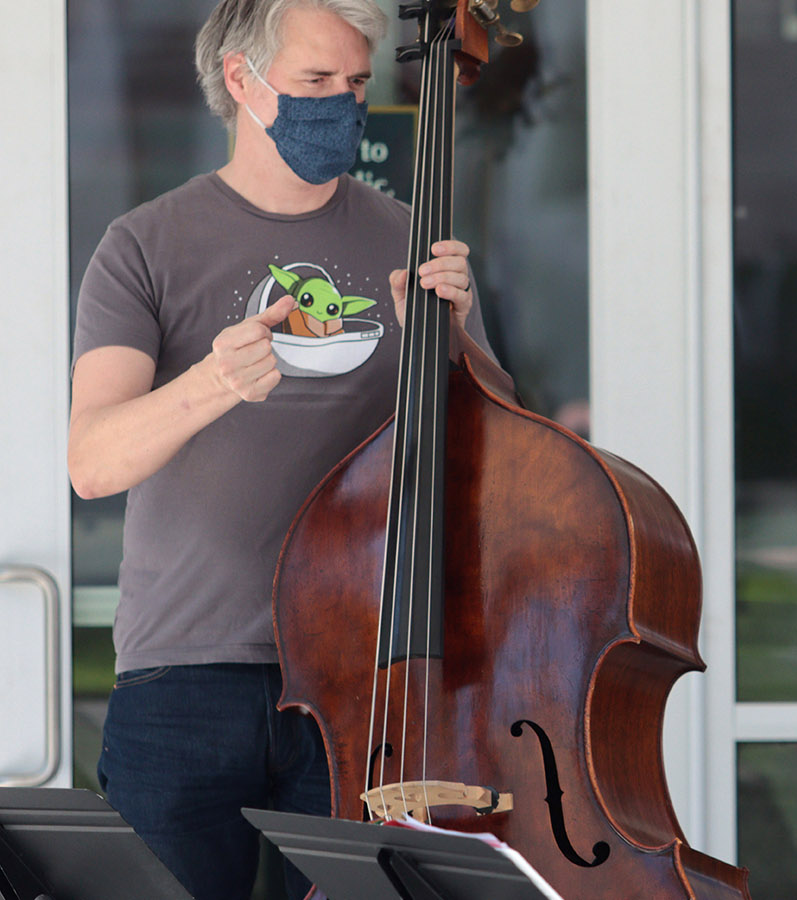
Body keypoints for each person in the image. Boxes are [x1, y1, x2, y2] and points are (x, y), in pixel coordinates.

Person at [66, 1, 493, 897]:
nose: (342, 102)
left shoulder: (411, 241)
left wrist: (453, 348)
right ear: (240, 79)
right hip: (184, 675)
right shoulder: (143, 246)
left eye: (356, 83)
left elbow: (501, 464)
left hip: (364, 678)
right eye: (314, 82)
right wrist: (212, 383)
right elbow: (93, 459)